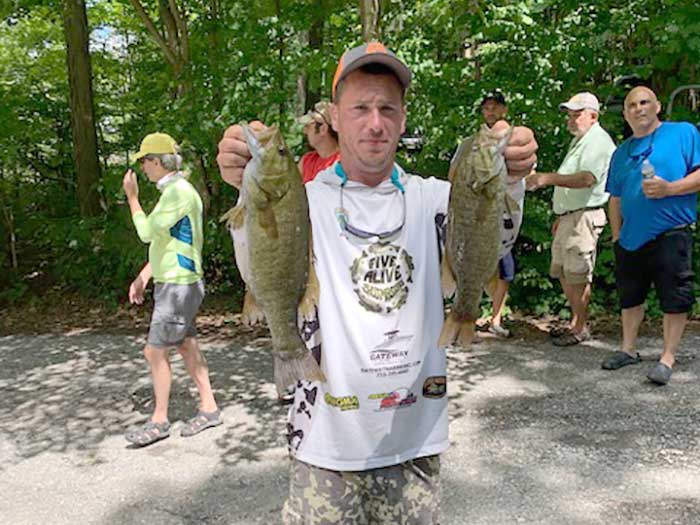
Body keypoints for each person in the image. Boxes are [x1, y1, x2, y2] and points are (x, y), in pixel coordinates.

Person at [217, 42, 537, 524]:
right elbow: (256, 271)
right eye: (360, 108)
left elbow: (497, 240)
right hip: (323, 451)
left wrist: (511, 179)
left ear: (403, 118)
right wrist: (244, 186)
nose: (375, 122)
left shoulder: (436, 198)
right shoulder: (302, 201)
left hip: (414, 447)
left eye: (387, 108)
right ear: (335, 118)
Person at [122, 133, 221, 446]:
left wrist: (133, 199)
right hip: (177, 282)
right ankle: (209, 408)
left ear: (157, 161)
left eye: (145, 162)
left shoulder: (178, 192)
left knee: (154, 351)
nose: (143, 169)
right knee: (186, 346)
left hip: (179, 285)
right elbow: (166, 242)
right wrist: (144, 276)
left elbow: (146, 233)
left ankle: (159, 420)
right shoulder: (173, 192)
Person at [600, 86, 700, 385]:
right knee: (630, 296)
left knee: (674, 295)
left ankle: (667, 358)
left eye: (644, 102)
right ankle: (628, 349)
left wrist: (670, 189)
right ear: (626, 113)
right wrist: (616, 237)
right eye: (632, 104)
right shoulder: (621, 152)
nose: (639, 108)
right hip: (630, 238)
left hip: (670, 233)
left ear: (657, 106)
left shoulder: (682, 133)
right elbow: (615, 198)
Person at [525, 92, 615, 346]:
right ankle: (576, 322)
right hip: (571, 217)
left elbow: (587, 179)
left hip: (584, 217)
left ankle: (580, 328)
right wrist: (562, 215)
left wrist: (546, 178)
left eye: (577, 114)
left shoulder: (598, 141)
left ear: (593, 116)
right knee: (564, 271)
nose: (571, 119)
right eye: (570, 114)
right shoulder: (582, 140)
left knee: (578, 273)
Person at [479, 91, 526, 337]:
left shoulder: (514, 138)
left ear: (504, 110)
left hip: (507, 216)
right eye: (486, 108)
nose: (491, 111)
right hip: (483, 217)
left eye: (495, 107)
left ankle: (495, 318)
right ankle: (468, 315)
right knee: (473, 266)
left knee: (505, 268)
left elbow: (525, 165)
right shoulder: (475, 141)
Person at [297, 100, 341, 183]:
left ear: (323, 129)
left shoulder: (344, 163)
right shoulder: (306, 161)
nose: (304, 131)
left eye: (308, 126)